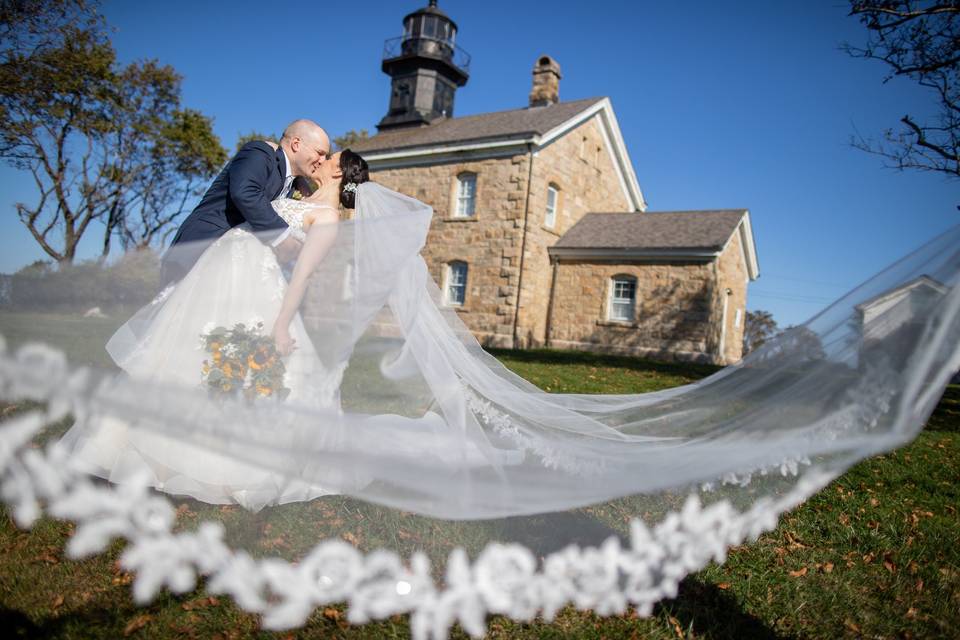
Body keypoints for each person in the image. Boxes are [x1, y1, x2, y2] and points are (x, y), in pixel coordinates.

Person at [59, 147, 372, 511]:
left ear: (339, 172)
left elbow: (301, 277)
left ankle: (221, 464)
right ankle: (125, 448)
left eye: (329, 157)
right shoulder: (295, 196)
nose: (321, 160)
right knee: (181, 355)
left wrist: (283, 324)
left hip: (254, 289)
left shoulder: (329, 218)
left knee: (234, 373)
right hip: (217, 276)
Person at [160, 119, 330, 286]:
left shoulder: (295, 185)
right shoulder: (261, 152)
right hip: (199, 250)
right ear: (296, 144)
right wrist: (282, 237)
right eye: (320, 153)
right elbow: (245, 192)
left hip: (236, 270)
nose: (322, 160)